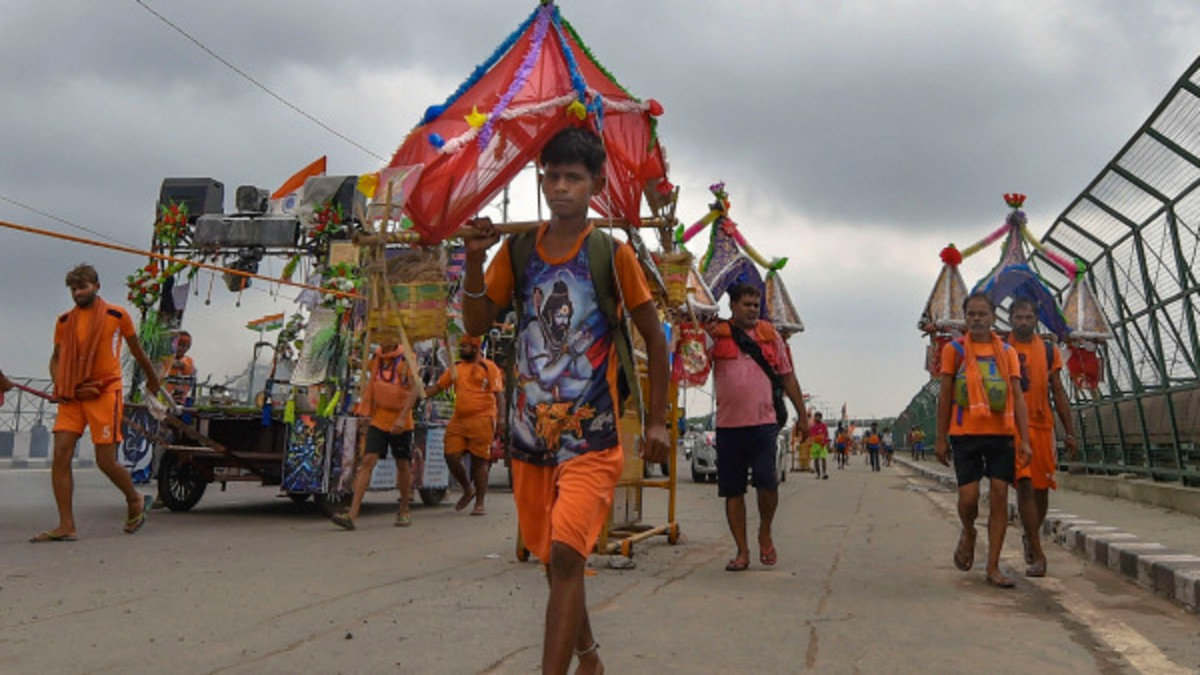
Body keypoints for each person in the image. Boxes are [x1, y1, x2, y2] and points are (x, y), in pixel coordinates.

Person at [460, 126, 670, 675]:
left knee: (566, 554)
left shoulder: (611, 255)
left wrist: (657, 422)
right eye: (551, 176)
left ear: (596, 184)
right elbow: (477, 323)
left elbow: (656, 338)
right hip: (530, 439)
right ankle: (589, 658)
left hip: (591, 437)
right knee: (553, 562)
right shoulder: (519, 251)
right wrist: (475, 260)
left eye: (573, 178)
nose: (560, 188)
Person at [33, 264, 162, 543]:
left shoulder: (117, 315)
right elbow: (56, 359)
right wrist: (59, 385)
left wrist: (153, 381)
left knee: (105, 461)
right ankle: (66, 525)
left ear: (97, 286)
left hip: (105, 393)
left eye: (83, 287)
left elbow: (138, 352)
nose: (78, 293)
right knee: (60, 456)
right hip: (72, 394)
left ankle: (135, 499)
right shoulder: (64, 321)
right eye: (73, 289)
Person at [705, 283, 807, 572]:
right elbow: (695, 364)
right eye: (746, 304)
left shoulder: (770, 336)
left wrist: (802, 415)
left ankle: (765, 530)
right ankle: (742, 551)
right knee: (733, 490)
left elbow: (788, 376)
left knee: (767, 482)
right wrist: (694, 331)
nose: (752, 309)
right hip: (728, 426)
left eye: (755, 304)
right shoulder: (716, 335)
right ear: (733, 306)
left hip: (764, 423)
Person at [935, 292, 1032, 588]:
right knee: (969, 498)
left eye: (982, 314)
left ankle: (993, 566)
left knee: (1000, 494)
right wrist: (941, 438)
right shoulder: (954, 350)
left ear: (992, 317)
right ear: (965, 318)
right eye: (971, 314)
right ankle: (968, 530)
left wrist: (1024, 440)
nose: (977, 319)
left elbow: (1017, 396)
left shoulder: (1007, 352)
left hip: (1001, 434)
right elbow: (945, 395)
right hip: (965, 433)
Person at [1007, 298, 1077, 577]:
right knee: (1024, 485)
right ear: (1010, 319)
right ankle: (1038, 553)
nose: (1024, 322)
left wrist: (1069, 432)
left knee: (1041, 489)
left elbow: (1058, 391)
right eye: (1018, 317)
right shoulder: (1002, 347)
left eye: (1028, 317)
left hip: (1042, 427)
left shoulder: (1049, 352)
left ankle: (1030, 534)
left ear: (1036, 319)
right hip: (1012, 428)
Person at [332, 331, 420, 530]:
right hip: (379, 418)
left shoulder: (406, 360)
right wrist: (352, 358)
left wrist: (402, 418)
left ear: (395, 338)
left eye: (385, 335)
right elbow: (364, 369)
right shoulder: (377, 359)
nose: (382, 340)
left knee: (403, 464)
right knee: (367, 461)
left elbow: (415, 389)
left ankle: (404, 509)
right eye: (380, 336)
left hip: (401, 421)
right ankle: (352, 514)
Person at [424, 334, 505, 516]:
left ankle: (480, 503)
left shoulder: (489, 367)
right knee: (451, 455)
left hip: (482, 418)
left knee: (479, 462)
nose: (462, 350)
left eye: (465, 347)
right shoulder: (456, 368)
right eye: (461, 346)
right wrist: (420, 394)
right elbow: (438, 387)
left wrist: (501, 419)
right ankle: (468, 488)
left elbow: (499, 394)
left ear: (476, 348)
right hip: (459, 419)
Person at [159, 330, 196, 405]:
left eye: (184, 346)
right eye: (178, 345)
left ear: (188, 347)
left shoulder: (188, 361)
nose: (180, 348)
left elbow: (179, 364)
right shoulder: (164, 358)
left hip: (178, 401)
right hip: (161, 399)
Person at [809, 411, 829, 479]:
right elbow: (811, 435)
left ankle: (824, 473)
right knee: (816, 459)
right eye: (815, 417)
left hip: (822, 444)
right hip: (815, 444)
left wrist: (826, 442)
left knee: (823, 458)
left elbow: (826, 434)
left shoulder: (823, 425)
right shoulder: (812, 426)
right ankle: (818, 474)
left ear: (820, 418)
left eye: (818, 417)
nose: (816, 418)